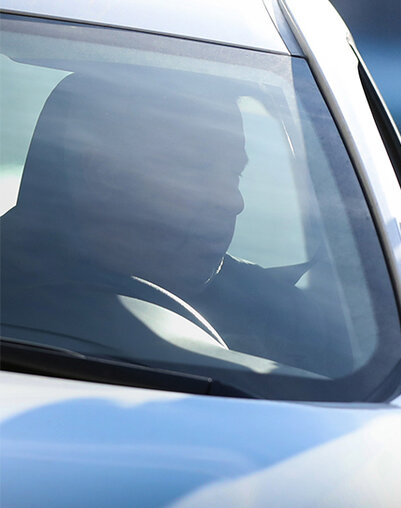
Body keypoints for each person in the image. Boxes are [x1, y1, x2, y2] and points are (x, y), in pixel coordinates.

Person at [0, 70, 327, 372]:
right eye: (195, 168)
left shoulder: (285, 320)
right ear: (100, 172)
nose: (231, 201)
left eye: (235, 174)